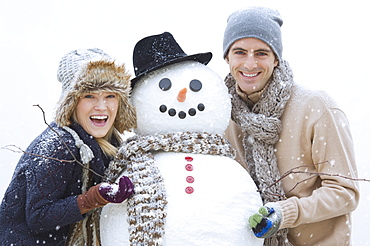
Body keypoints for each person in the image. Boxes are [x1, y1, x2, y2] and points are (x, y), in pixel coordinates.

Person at [223, 7, 360, 246]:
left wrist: (285, 213)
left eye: (262, 53)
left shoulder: (316, 108)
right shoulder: (220, 114)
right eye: (240, 52)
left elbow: (344, 193)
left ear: (276, 58)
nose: (250, 63)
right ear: (227, 57)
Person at [0, 48, 136, 245]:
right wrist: (92, 198)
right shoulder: (57, 146)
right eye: (89, 96)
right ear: (71, 102)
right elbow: (38, 216)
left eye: (110, 95)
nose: (101, 106)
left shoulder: (110, 144)